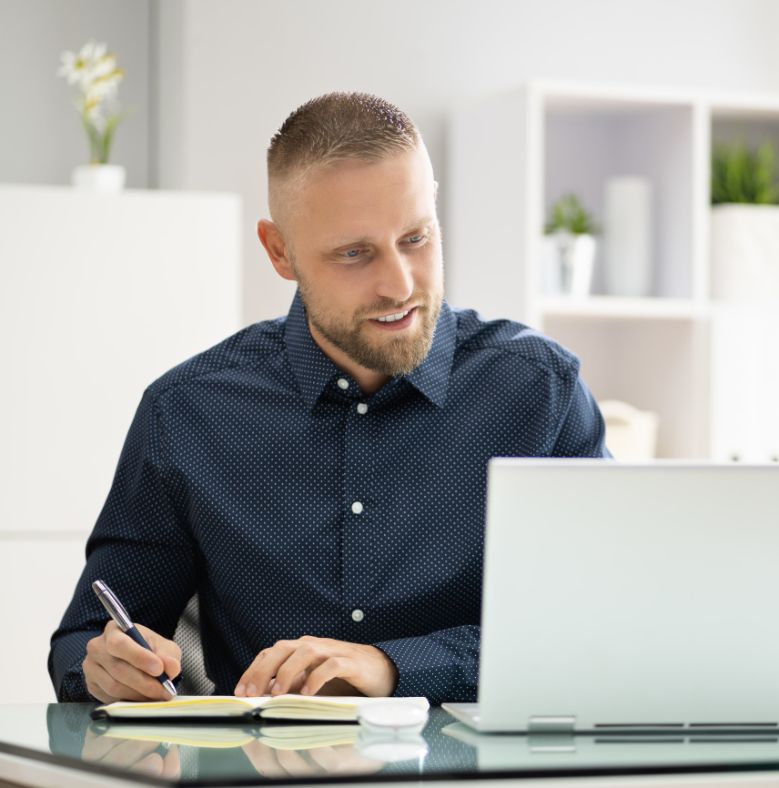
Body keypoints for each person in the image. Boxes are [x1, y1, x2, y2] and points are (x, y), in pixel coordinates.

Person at [49, 92, 608, 705]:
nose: (399, 284)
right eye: (354, 253)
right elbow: (85, 639)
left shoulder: (540, 390)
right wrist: (103, 666)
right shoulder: (185, 413)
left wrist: (393, 667)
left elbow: (595, 633)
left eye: (416, 238)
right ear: (279, 251)